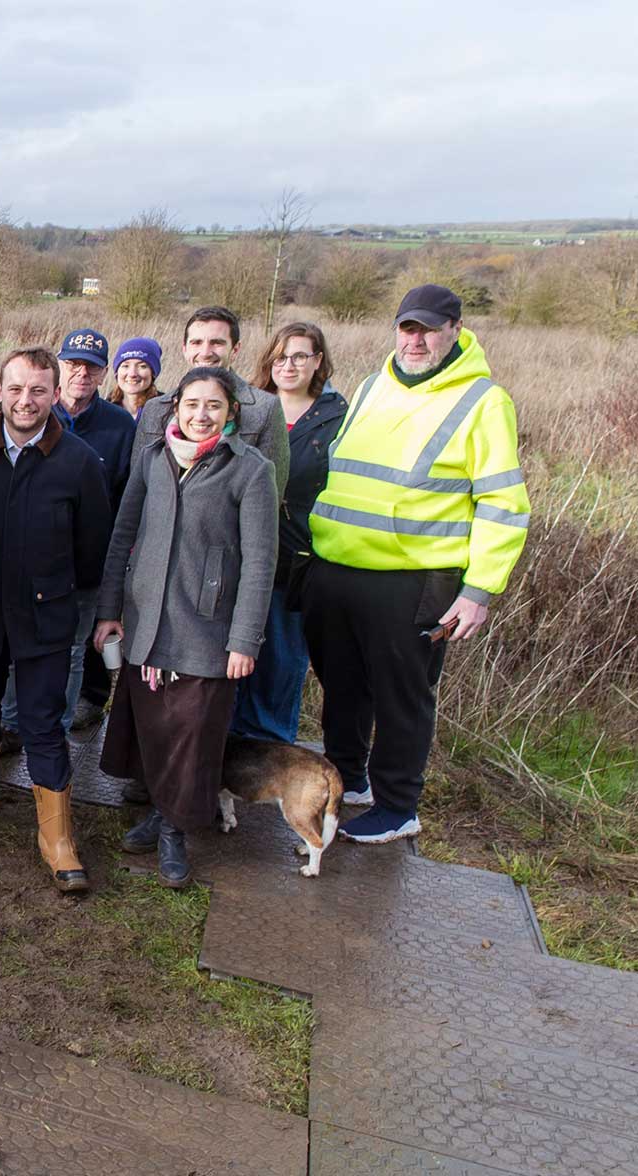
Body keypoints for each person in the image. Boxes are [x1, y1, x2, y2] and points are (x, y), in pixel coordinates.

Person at [303, 285, 530, 843]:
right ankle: (348, 778)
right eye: (407, 327)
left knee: (403, 696)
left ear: (455, 328)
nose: (416, 339)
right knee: (344, 686)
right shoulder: (371, 385)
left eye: (428, 328)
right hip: (338, 567)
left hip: (414, 579)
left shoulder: (482, 400)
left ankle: (398, 805)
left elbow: (503, 501)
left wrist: (479, 590)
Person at [94, 368, 277, 887]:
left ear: (231, 414)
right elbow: (122, 535)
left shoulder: (251, 471)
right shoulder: (152, 460)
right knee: (154, 730)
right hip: (147, 623)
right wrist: (110, 610)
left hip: (208, 629)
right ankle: (159, 809)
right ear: (175, 409)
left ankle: (176, 830)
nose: (201, 415)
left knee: (194, 735)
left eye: (213, 407)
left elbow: (261, 563)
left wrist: (244, 639)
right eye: (191, 404)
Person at [0, 347, 112, 893]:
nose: (25, 400)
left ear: (56, 394)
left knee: (43, 720)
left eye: (39, 390)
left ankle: (56, 836)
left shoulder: (80, 462)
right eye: (15, 389)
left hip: (45, 617)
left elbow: (93, 551)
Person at [230, 322, 345, 744]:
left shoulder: (335, 419)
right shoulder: (248, 407)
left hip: (297, 557)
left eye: (300, 356)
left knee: (280, 657)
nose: (289, 365)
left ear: (318, 361)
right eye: (281, 356)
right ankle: (226, 751)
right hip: (239, 552)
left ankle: (268, 753)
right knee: (234, 654)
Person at [54, 330, 135, 734]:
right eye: (72, 365)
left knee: (88, 635)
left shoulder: (120, 425)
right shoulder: (38, 412)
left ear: (105, 374)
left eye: (91, 367)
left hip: (95, 550)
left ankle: (90, 698)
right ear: (60, 367)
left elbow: (126, 492)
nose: (80, 374)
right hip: (44, 548)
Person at [134, 306, 289, 497]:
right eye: (196, 342)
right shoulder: (155, 408)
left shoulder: (264, 409)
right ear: (184, 348)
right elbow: (138, 487)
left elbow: (270, 495)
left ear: (235, 349)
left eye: (217, 343)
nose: (205, 352)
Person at [109, 336, 163, 419]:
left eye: (142, 366)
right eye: (125, 366)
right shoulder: (101, 412)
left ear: (153, 373)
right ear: (117, 372)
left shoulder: (166, 411)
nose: (132, 374)